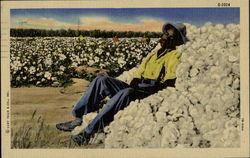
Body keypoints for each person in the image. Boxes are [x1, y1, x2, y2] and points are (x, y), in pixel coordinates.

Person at [56, 22, 188, 145]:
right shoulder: (153, 55)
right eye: (165, 34)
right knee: (101, 79)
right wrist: (135, 82)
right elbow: (138, 74)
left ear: (176, 40)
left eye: (170, 36)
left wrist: (149, 87)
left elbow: (170, 81)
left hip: (149, 92)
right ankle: (79, 117)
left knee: (127, 92)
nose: (165, 37)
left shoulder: (174, 56)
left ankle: (88, 132)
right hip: (137, 87)